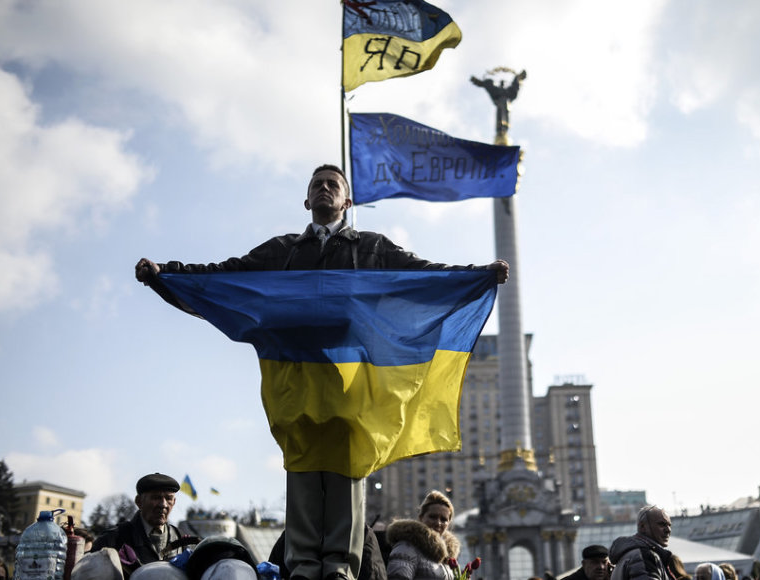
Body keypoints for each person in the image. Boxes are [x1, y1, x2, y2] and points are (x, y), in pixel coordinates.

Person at [135, 165, 509, 580]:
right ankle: (304, 569)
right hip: (296, 383)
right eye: (317, 185)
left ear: (347, 202)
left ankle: (339, 571)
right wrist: (164, 275)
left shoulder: (371, 248)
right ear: (306, 201)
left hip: (350, 385)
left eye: (334, 184)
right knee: (304, 475)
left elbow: (422, 275)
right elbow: (225, 277)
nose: (325, 189)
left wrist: (477, 276)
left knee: (347, 479)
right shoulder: (282, 251)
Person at [92, 473, 189, 576]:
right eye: (156, 498)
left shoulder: (182, 540)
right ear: (139, 502)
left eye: (169, 498)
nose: (163, 504)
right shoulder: (112, 540)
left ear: (174, 502)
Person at [385, 490, 461, 580]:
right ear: (421, 517)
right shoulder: (406, 548)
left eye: (444, 519)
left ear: (448, 524)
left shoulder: (448, 556)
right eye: (433, 517)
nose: (438, 523)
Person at [609, 505, 675, 580]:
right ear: (642, 527)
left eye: (669, 525)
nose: (668, 530)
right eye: (661, 524)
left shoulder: (632, 553)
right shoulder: (645, 554)